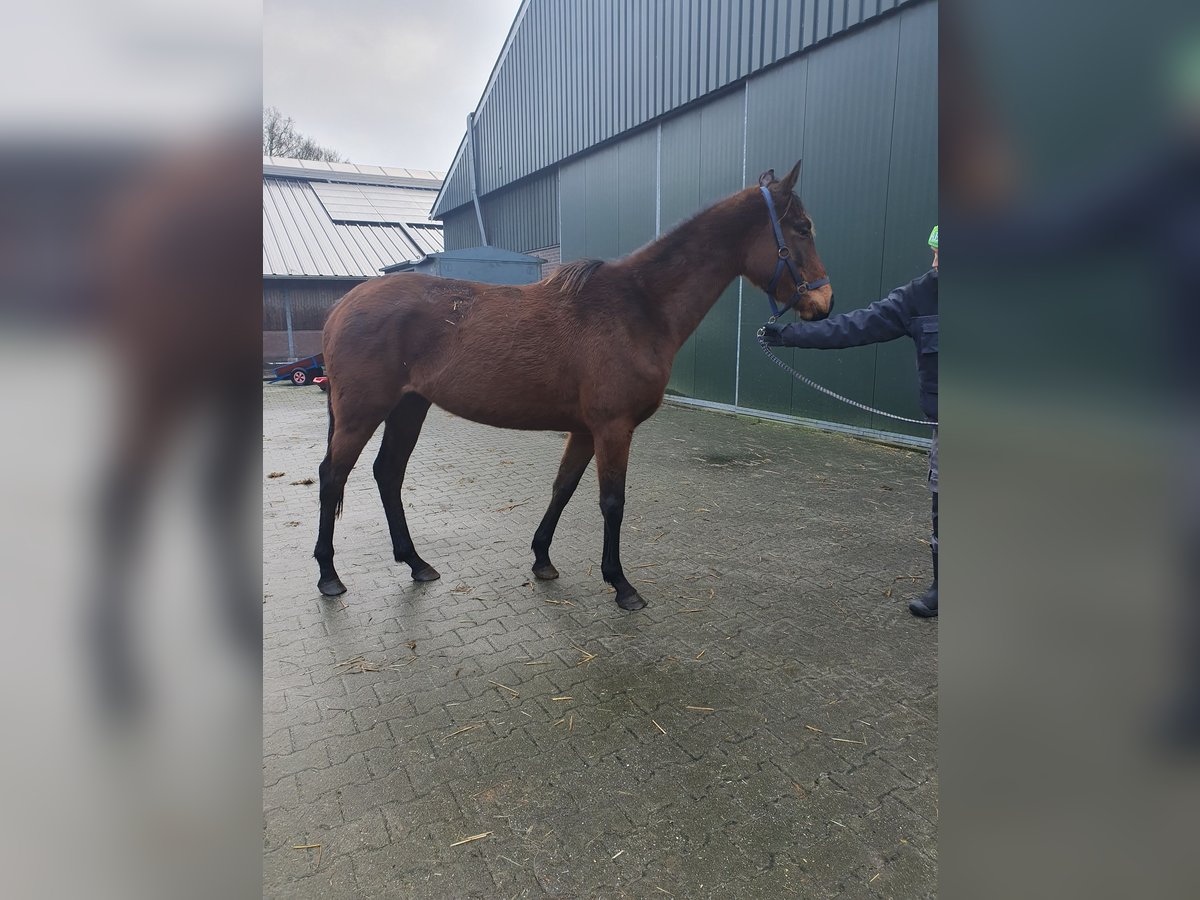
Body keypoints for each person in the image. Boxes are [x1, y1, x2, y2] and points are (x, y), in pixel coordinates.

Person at [763, 226, 939, 617]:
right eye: (933, 252)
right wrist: (789, 336)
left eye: (941, 253)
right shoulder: (921, 295)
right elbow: (856, 325)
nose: (934, 261)